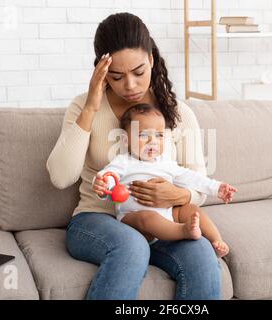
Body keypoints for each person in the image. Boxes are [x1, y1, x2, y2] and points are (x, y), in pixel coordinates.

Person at [46, 12, 222, 300]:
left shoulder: (177, 113)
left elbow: (199, 185)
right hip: (98, 221)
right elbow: (61, 176)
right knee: (131, 245)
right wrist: (91, 107)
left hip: (164, 223)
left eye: (139, 72)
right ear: (102, 72)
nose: (130, 86)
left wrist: (176, 196)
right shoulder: (84, 106)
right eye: (116, 76)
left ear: (152, 59)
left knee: (202, 254)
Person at [92, 103, 237, 257]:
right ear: (125, 139)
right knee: (147, 217)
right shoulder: (124, 161)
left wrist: (216, 188)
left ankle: (217, 241)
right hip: (134, 218)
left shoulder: (166, 163)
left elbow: (192, 178)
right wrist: (103, 184)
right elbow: (109, 174)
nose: (152, 141)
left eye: (159, 135)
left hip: (167, 215)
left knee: (192, 210)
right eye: (143, 135)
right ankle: (183, 231)